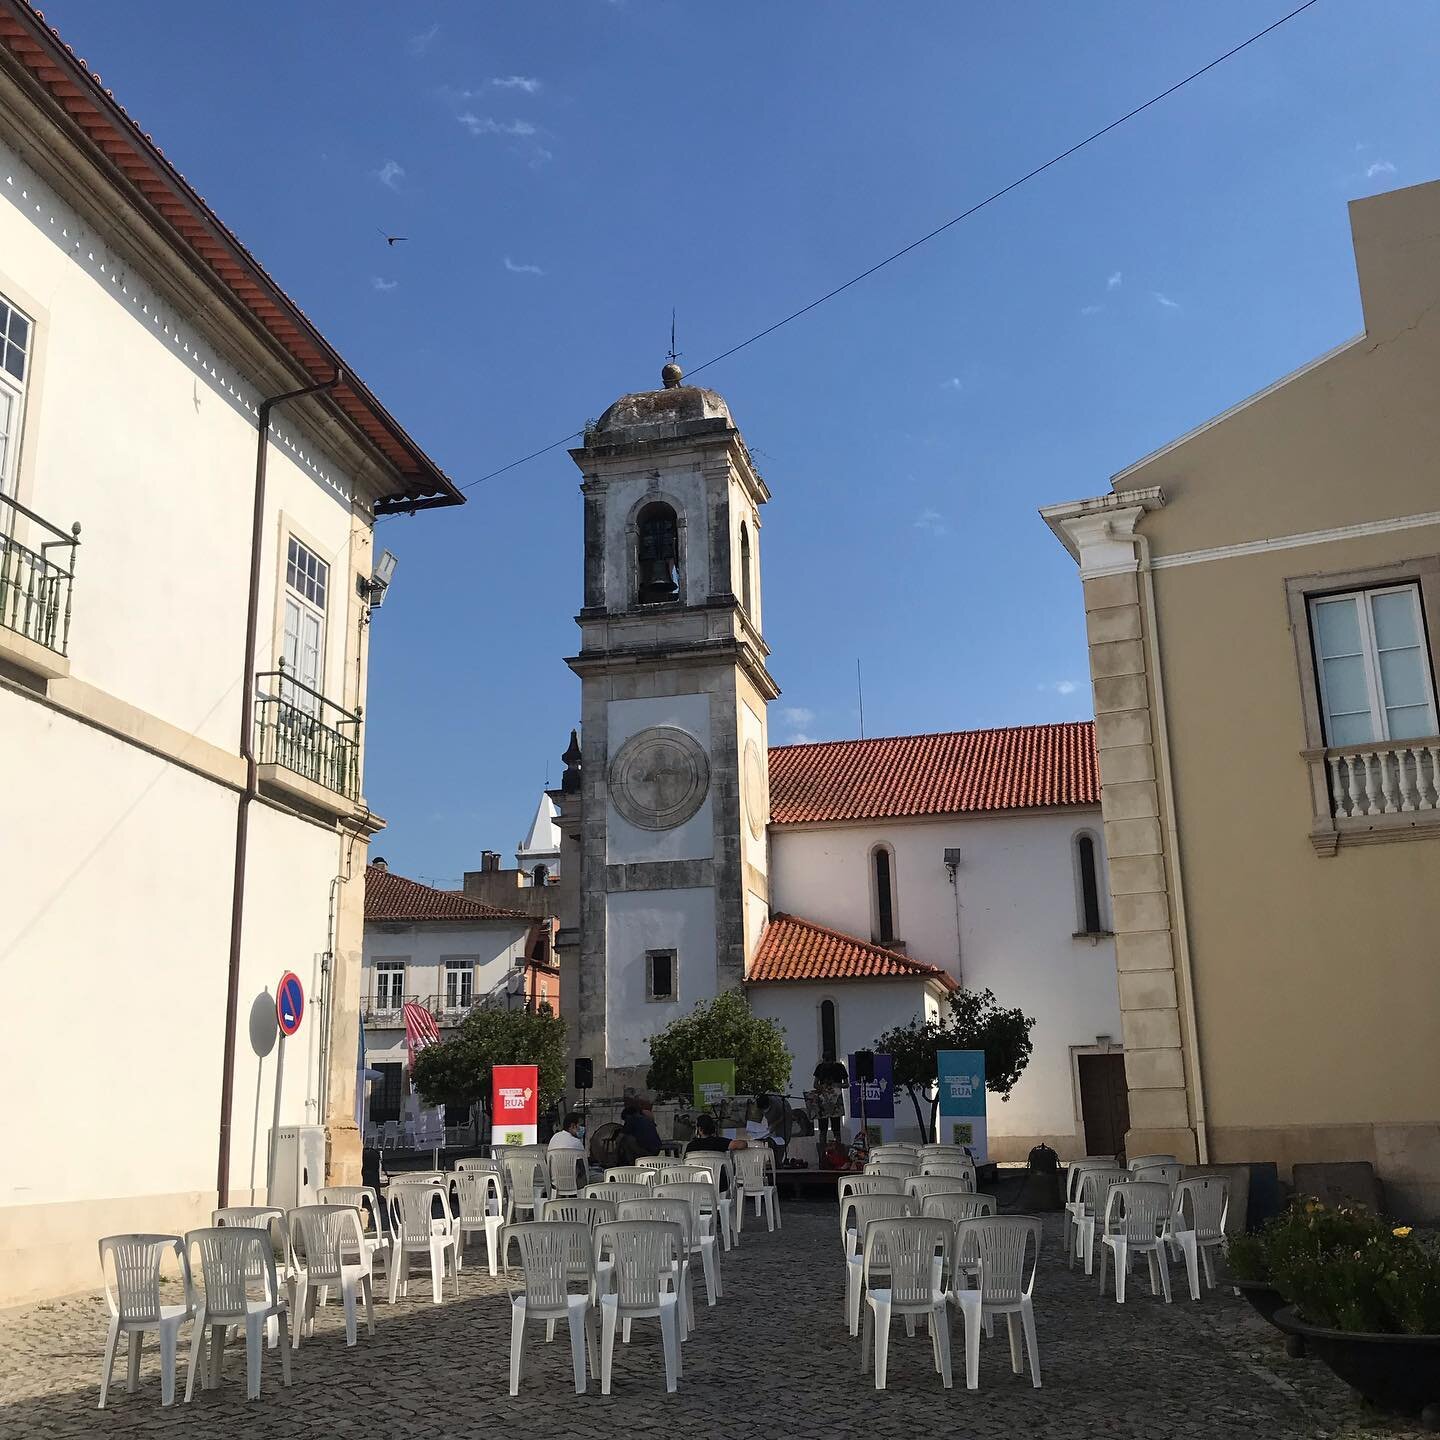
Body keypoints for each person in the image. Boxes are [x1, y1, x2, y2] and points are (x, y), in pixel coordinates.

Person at [812, 1055, 848, 1149]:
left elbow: (847, 1084)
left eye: (828, 1061)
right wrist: (823, 1087)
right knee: (822, 1129)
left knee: (836, 1128)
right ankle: (823, 1153)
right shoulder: (820, 1067)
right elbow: (815, 1084)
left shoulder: (839, 1067)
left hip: (835, 1099)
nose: (826, 1064)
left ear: (832, 1060)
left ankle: (838, 1150)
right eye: (825, 1061)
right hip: (823, 1100)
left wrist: (836, 1085)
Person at [617, 1095, 663, 1164]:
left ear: (627, 1116)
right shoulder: (646, 1118)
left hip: (646, 1152)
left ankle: (631, 1163)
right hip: (657, 1150)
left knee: (626, 1139)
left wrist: (616, 1150)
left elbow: (620, 1137)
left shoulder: (631, 1119)